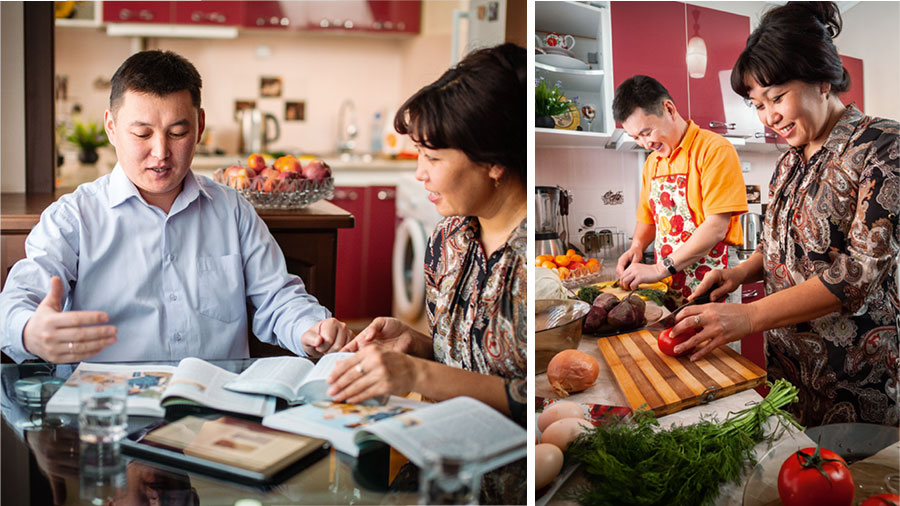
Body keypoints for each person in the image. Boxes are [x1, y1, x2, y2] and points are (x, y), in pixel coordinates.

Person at [0, 50, 352, 364]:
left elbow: (278, 298)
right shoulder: (74, 216)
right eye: (142, 134)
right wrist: (30, 331)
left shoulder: (232, 211)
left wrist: (312, 328)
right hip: (106, 405)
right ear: (111, 127)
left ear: (199, 127)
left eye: (177, 133)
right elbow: (17, 299)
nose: (160, 152)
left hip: (214, 403)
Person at [670, 1, 899, 427]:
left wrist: (749, 316)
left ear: (822, 80)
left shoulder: (883, 146)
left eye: (777, 97)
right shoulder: (789, 161)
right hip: (787, 376)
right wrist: (740, 272)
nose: (769, 117)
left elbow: (856, 276)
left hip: (854, 382)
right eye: (757, 105)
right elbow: (776, 247)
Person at [325, 43, 526, 504]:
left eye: (432, 159)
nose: (420, 174)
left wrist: (417, 373)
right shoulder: (448, 238)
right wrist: (415, 344)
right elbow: (470, 362)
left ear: (494, 161)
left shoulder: (528, 262)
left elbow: (532, 396)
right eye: (419, 155)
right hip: (436, 464)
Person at [613, 75, 748, 306]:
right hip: (669, 280)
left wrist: (658, 269)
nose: (645, 144)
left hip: (712, 278)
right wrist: (636, 246)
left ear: (669, 109)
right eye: (636, 137)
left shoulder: (715, 150)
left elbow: (716, 228)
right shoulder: (652, 163)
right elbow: (648, 219)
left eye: (647, 132)